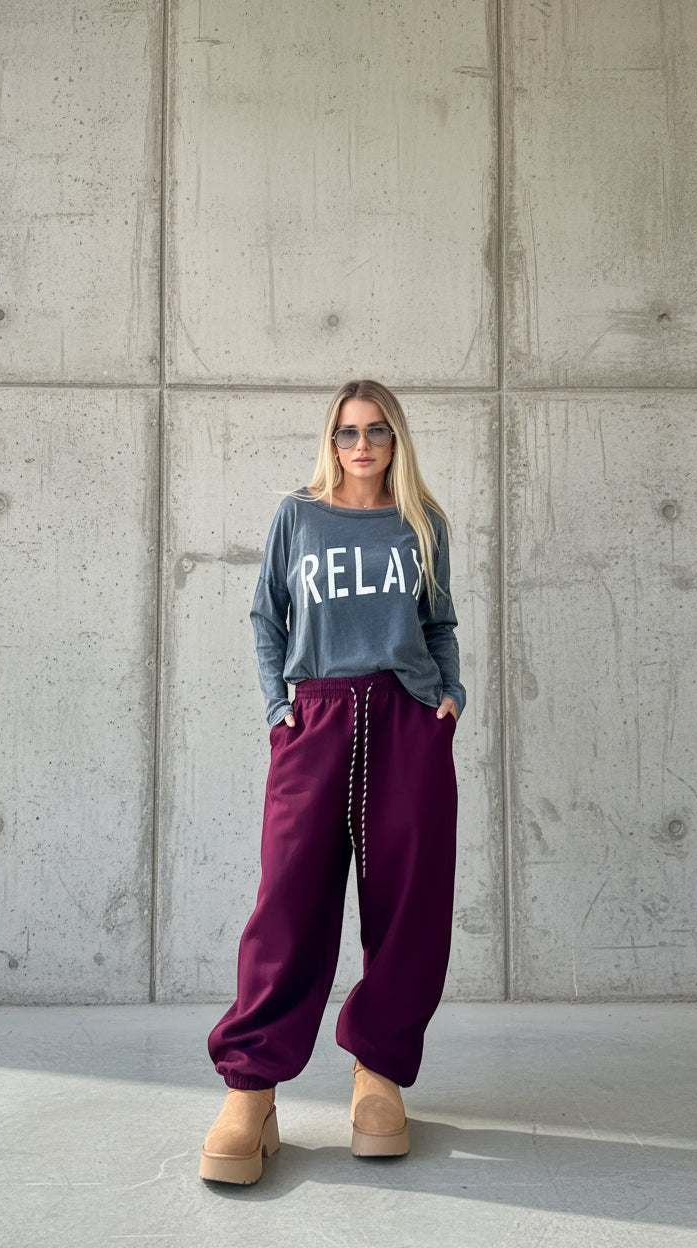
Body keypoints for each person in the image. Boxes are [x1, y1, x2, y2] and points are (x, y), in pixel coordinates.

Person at [199, 378, 466, 1185]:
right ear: (332, 439)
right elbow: (267, 616)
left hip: (407, 717)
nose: (361, 445)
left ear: (396, 440)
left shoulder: (422, 522)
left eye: (377, 431)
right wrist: (278, 707)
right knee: (287, 902)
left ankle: (378, 1073)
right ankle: (252, 1090)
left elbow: (439, 623)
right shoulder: (298, 516)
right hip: (315, 717)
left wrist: (449, 698)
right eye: (348, 431)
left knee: (409, 906)